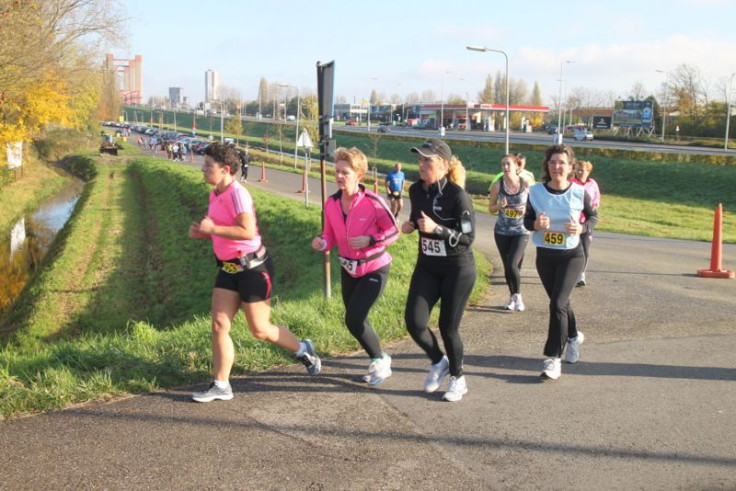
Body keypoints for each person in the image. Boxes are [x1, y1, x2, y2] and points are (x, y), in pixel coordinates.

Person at [188, 142, 321, 402]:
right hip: (227, 269)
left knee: (260, 330)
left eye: (208, 166)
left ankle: (303, 349)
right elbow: (225, 231)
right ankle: (221, 385)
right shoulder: (215, 193)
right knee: (218, 326)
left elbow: (247, 232)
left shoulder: (238, 194)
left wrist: (212, 229)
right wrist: (205, 233)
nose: (202, 169)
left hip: (253, 269)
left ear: (226, 169)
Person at [311, 147, 399, 385]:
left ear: (359, 175)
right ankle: (380, 358)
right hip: (349, 268)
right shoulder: (331, 203)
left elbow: (394, 232)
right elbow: (329, 234)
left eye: (345, 172)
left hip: (374, 267)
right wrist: (322, 243)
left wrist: (371, 240)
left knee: (355, 318)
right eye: (336, 171)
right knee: (354, 319)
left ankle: (380, 360)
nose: (339, 176)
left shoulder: (373, 202)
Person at [401, 138, 476, 402]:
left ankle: (458, 377)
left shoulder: (459, 196)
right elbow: (417, 218)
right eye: (419, 159)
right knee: (414, 321)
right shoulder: (415, 190)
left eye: (427, 160)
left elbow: (468, 238)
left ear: (443, 165)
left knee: (448, 327)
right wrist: (410, 226)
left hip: (458, 268)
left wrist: (438, 230)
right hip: (428, 266)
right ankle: (438, 361)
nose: (421, 165)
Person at [523, 144, 598, 380]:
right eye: (553, 162)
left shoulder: (578, 192)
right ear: (547, 165)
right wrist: (535, 225)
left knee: (556, 304)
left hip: (571, 255)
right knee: (561, 304)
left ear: (570, 167)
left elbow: (594, 216)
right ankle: (574, 337)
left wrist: (583, 227)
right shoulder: (535, 192)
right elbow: (526, 221)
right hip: (545, 256)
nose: (557, 166)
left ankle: (553, 357)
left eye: (562, 163)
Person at [488, 154, 531, 311]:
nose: (505, 167)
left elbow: (535, 206)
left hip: (521, 231)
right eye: (503, 165)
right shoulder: (497, 186)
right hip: (502, 231)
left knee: (512, 263)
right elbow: (490, 209)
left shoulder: (525, 183)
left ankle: (518, 296)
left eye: (508, 164)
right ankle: (512, 297)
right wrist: (499, 205)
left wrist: (526, 209)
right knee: (509, 267)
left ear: (516, 166)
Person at [570, 160, 601, 287]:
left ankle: (581, 274)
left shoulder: (593, 184)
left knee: (585, 247)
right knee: (572, 247)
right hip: (573, 221)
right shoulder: (571, 183)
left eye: (583, 170)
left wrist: (593, 207)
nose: (581, 172)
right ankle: (570, 271)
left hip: (586, 221)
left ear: (589, 171)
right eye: (579, 170)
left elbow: (597, 198)